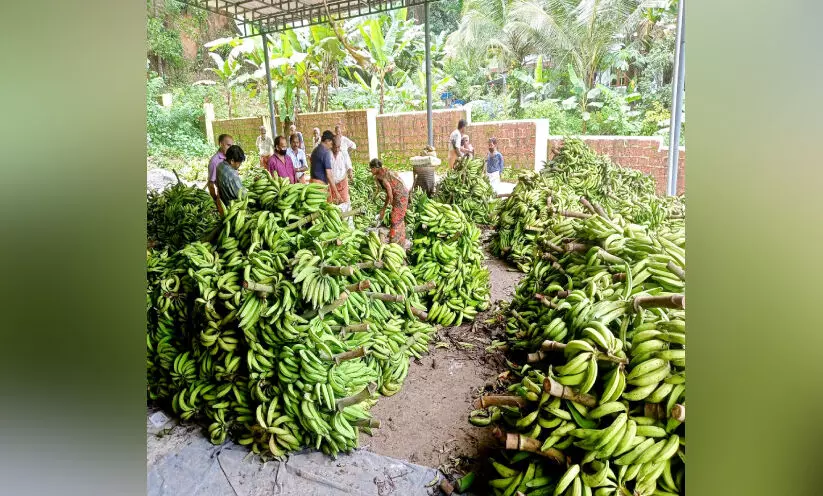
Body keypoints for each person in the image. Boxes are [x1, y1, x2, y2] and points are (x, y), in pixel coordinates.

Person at [370, 158, 410, 249]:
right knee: (398, 217)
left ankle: (395, 242)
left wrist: (387, 206)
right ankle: (400, 241)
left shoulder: (382, 176)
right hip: (401, 193)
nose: (370, 170)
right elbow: (387, 191)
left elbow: (389, 192)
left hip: (401, 195)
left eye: (371, 168)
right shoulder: (382, 173)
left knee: (395, 218)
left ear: (375, 168)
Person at [310, 130, 341, 203]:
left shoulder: (315, 150)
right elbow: (329, 175)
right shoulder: (325, 152)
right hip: (320, 186)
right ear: (327, 140)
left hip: (312, 184)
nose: (332, 145)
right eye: (331, 142)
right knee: (323, 210)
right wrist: (336, 192)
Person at [330, 137, 354, 227]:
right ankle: (336, 225)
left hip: (343, 182)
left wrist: (350, 173)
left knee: (346, 203)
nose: (336, 149)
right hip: (332, 184)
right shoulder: (328, 155)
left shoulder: (343, 153)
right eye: (335, 147)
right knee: (333, 205)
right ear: (331, 146)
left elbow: (349, 166)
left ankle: (349, 226)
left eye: (338, 147)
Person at [208, 134, 234, 215]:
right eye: (228, 145)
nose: (230, 148)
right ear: (221, 144)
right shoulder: (215, 161)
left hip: (234, 195)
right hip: (223, 197)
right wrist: (216, 199)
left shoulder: (229, 157)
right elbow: (210, 184)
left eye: (231, 146)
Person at [216, 145, 247, 210]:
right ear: (232, 161)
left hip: (224, 202)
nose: (240, 165)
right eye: (239, 163)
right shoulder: (232, 176)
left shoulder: (220, 166)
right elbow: (243, 195)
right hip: (233, 208)